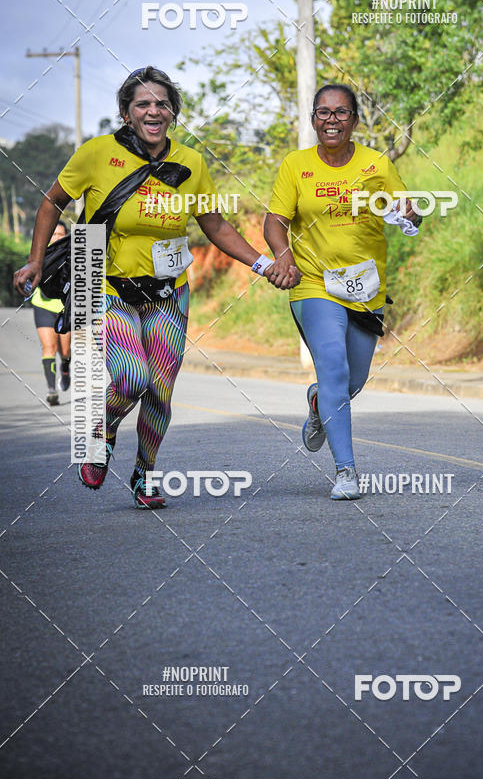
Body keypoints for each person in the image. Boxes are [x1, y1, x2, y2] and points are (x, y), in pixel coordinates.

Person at [15, 65, 287, 508]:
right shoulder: (96, 153)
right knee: (131, 376)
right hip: (98, 277)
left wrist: (262, 263)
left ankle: (145, 474)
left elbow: (214, 224)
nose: (153, 111)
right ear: (126, 113)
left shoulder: (191, 163)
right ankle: (99, 434)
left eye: (162, 103)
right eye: (142, 103)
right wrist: (34, 259)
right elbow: (52, 202)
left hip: (167, 289)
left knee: (160, 388)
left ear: (173, 112)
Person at [264, 83, 419, 500]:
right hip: (313, 283)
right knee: (332, 368)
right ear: (313, 118)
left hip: (366, 289)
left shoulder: (377, 164)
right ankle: (346, 471)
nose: (331, 119)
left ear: (354, 119)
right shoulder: (296, 166)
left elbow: (408, 211)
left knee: (351, 380)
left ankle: (319, 404)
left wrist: (410, 212)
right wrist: (283, 256)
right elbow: (275, 221)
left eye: (341, 112)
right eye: (323, 112)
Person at [29, 219, 71, 405]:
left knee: (65, 350)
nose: (56, 238)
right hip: (43, 305)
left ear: (65, 237)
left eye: (60, 235)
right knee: (49, 348)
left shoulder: (72, 254)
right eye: (53, 234)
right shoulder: (39, 254)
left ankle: (65, 367)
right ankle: (51, 390)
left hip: (65, 308)